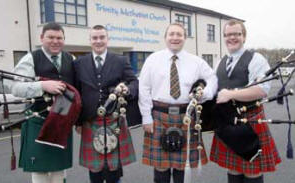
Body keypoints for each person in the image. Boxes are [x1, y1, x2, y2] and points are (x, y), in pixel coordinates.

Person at [138, 23, 217, 183]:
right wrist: (146, 117)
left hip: (186, 115)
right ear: (165, 37)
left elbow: (212, 79)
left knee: (182, 165)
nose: (175, 38)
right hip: (159, 115)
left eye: (179, 34)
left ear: (185, 38)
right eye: (171, 34)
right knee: (161, 166)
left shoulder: (196, 61)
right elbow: (144, 88)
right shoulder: (153, 59)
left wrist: (205, 94)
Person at [209, 19, 281, 183]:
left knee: (252, 170)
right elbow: (214, 89)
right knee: (233, 168)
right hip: (227, 121)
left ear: (244, 37)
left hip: (250, 120)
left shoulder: (256, 59)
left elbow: (262, 90)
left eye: (236, 34)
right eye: (228, 35)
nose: (232, 38)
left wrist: (232, 94)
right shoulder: (220, 61)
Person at [10, 22, 75, 183]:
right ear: (41, 38)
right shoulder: (31, 58)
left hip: (62, 121)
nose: (55, 41)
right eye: (50, 37)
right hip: (37, 122)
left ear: (64, 40)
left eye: (59, 38)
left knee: (60, 171)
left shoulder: (71, 58)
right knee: (40, 173)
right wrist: (42, 86)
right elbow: (15, 88)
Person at [74, 25, 138, 183]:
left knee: (113, 168)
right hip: (90, 120)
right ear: (89, 40)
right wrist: (78, 121)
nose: (98, 41)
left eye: (102, 37)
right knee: (94, 170)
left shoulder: (121, 60)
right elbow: (77, 93)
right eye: (95, 38)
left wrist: (127, 89)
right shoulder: (79, 63)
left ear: (107, 39)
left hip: (113, 120)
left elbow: (134, 83)